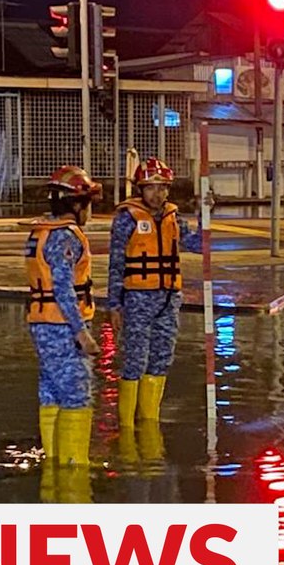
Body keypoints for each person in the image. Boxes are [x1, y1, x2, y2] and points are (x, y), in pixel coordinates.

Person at [107, 157, 202, 462]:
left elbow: (197, 245)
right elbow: (116, 264)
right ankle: (126, 429)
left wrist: (207, 217)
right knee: (135, 360)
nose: (157, 194)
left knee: (162, 358)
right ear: (140, 189)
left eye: (162, 188)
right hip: (137, 299)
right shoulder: (126, 219)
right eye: (151, 188)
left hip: (168, 299)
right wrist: (114, 304)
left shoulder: (174, 218)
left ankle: (149, 423)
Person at [25, 165, 101, 468]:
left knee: (50, 393)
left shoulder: (41, 232)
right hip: (62, 327)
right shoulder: (65, 237)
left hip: (42, 323)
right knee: (76, 396)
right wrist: (81, 332)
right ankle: (74, 470)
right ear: (78, 205)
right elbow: (63, 288)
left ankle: (53, 467)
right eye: (88, 204)